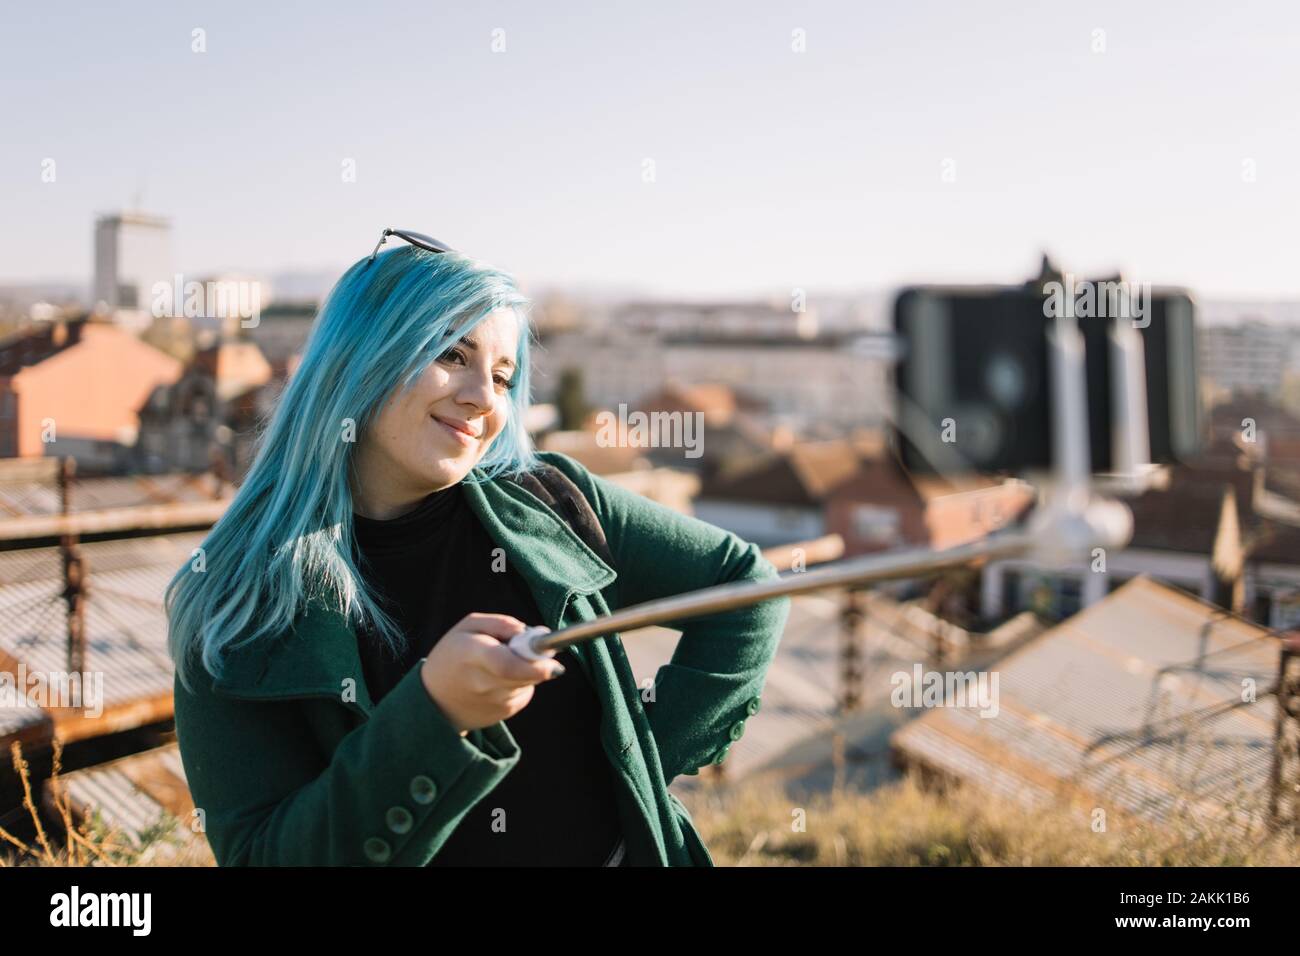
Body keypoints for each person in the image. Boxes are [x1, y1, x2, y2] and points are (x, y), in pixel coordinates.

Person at [166, 233, 790, 866]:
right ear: (357, 358)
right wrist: (434, 717)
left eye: (502, 375)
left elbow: (745, 586)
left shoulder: (549, 497)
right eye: (450, 354)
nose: (484, 398)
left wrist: (638, 757)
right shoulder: (232, 600)